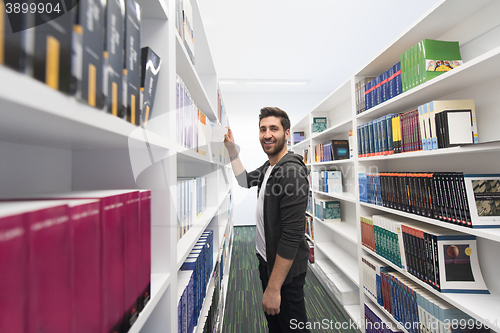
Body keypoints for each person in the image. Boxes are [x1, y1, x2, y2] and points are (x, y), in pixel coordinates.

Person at [224, 107, 311, 333]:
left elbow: (292, 237)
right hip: (268, 263)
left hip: (285, 275)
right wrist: (232, 150)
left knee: (292, 327)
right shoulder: (270, 167)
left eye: (274, 128)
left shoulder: (290, 172)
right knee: (276, 326)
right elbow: (244, 180)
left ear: (287, 133)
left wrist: (274, 288)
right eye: (263, 129)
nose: (267, 134)